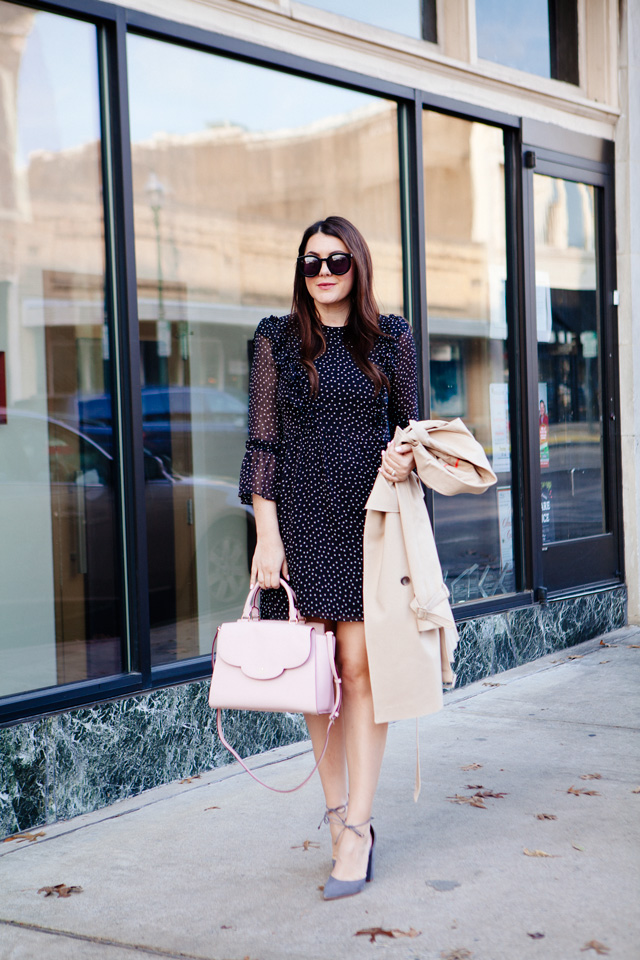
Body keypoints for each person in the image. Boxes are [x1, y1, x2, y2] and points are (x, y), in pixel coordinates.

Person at [238, 215, 419, 900]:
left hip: (368, 523)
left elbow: (410, 427)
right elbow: (262, 444)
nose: (322, 273)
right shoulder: (276, 341)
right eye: (311, 262)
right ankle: (337, 812)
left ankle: (363, 826)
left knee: (359, 669)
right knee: (317, 678)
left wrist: (405, 456)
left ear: (357, 265)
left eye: (336, 260)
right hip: (301, 525)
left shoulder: (391, 338)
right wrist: (266, 533)